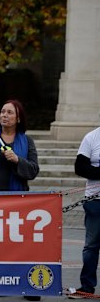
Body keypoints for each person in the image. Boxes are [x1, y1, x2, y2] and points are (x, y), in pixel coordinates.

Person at [72, 126, 100, 297]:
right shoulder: (92, 137)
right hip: (94, 201)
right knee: (92, 245)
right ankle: (87, 285)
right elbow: (80, 167)